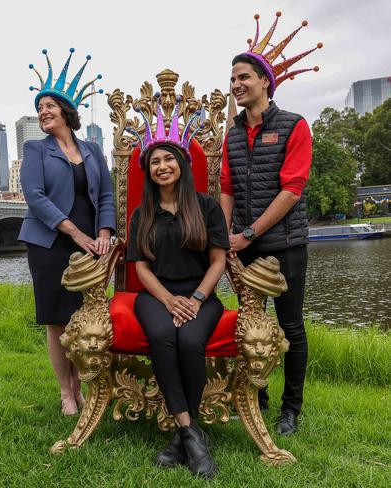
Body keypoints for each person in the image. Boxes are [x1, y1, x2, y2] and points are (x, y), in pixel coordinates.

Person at [219, 12, 321, 436]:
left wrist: (246, 234)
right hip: (241, 245)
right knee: (249, 322)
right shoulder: (232, 134)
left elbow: (291, 191)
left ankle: (290, 408)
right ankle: (255, 397)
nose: (237, 85)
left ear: (264, 80)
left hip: (283, 243)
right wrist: (223, 237)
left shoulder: (295, 125)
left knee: (290, 325)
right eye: (233, 80)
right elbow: (225, 186)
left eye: (243, 77)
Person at [126, 99, 228, 479]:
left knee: (189, 341)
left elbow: (218, 261)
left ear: (181, 165)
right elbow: (140, 267)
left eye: (168, 159)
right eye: (154, 162)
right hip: (156, 294)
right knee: (162, 336)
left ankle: (182, 438)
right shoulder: (142, 213)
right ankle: (192, 434)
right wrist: (169, 300)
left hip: (201, 294)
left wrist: (197, 299)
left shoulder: (206, 207)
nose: (162, 166)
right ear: (148, 171)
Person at [19, 49, 115, 416]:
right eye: (39, 106)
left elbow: (106, 194)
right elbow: (35, 197)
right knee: (58, 320)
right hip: (50, 243)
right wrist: (75, 233)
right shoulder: (35, 149)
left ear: (66, 111)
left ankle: (86, 383)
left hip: (91, 244)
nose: (43, 111)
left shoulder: (92, 149)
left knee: (85, 317)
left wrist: (104, 231)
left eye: (49, 106)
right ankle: (66, 391)